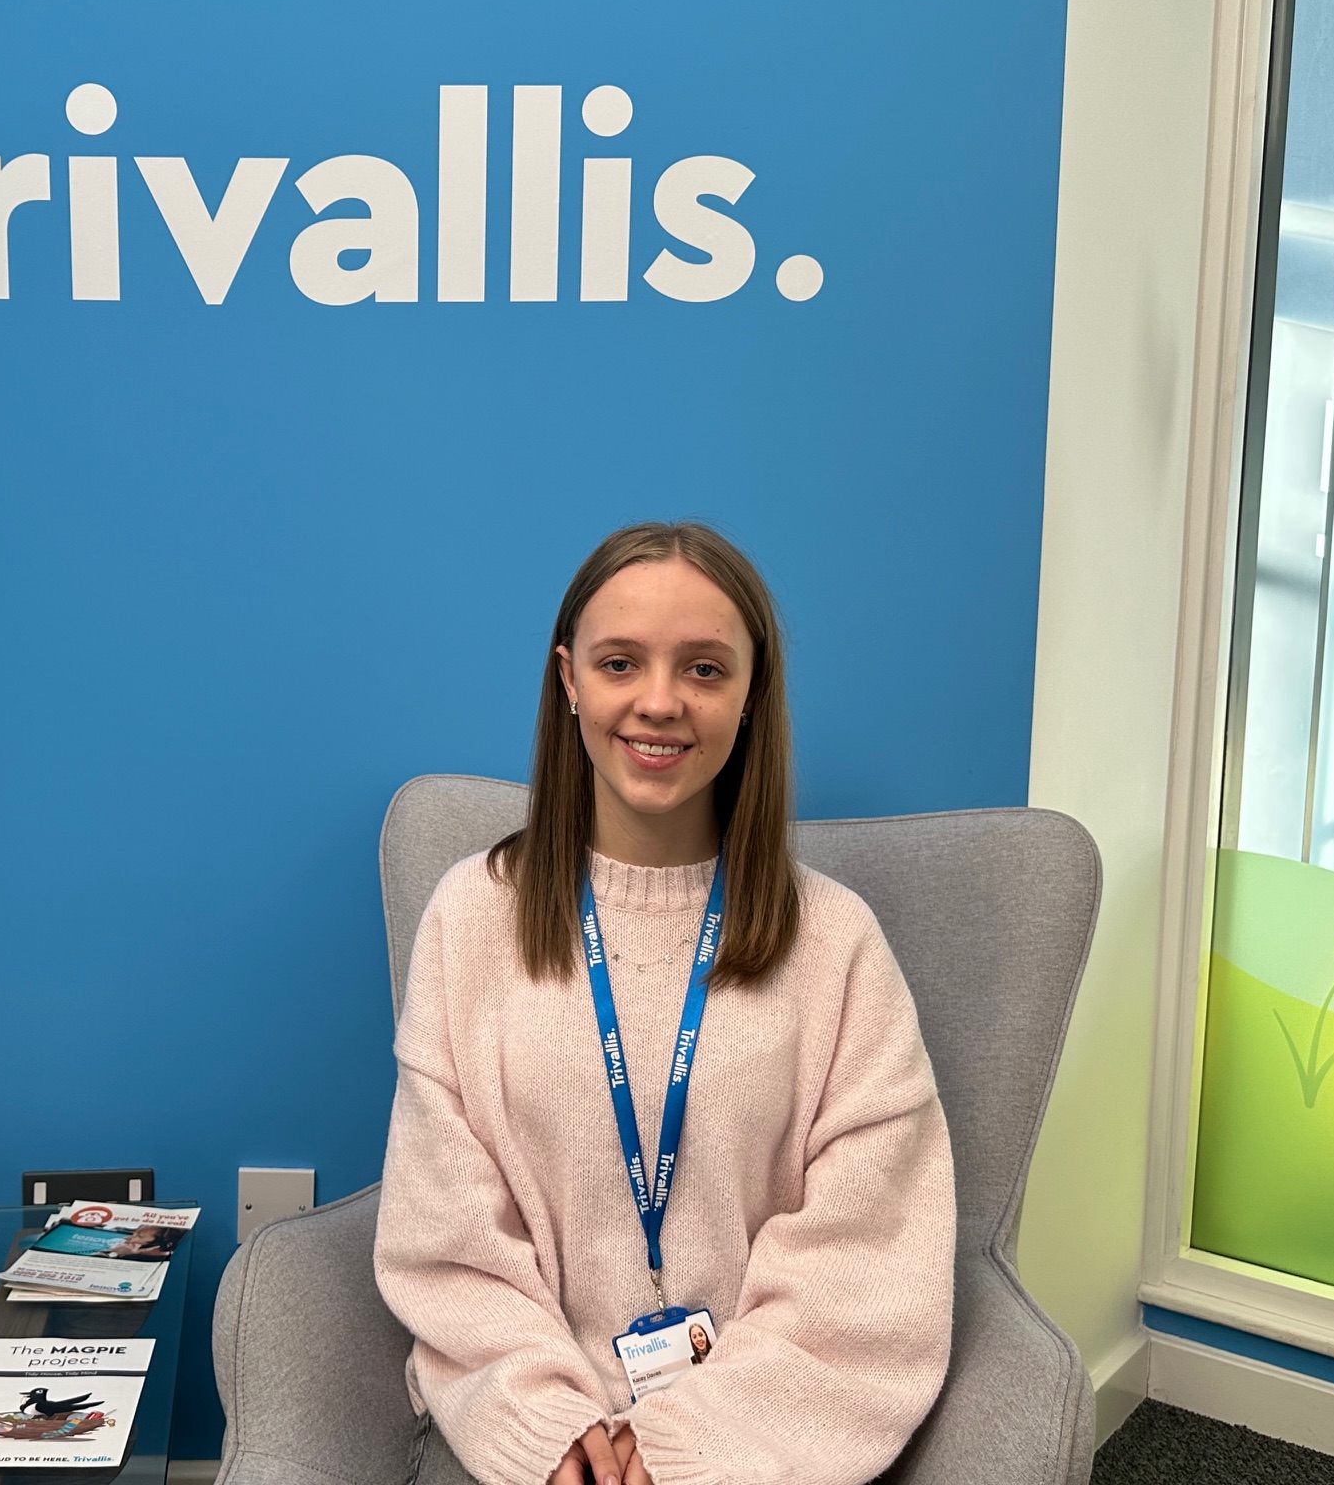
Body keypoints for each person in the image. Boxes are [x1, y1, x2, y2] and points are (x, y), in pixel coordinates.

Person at [373, 522, 954, 1485]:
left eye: (704, 670)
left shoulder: (837, 944)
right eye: (618, 662)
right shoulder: (470, 919)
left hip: (764, 1447)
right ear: (568, 681)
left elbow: (869, 1258)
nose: (658, 702)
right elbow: (449, 1241)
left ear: (751, 693)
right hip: (531, 1445)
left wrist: (696, 1440)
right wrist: (549, 1428)